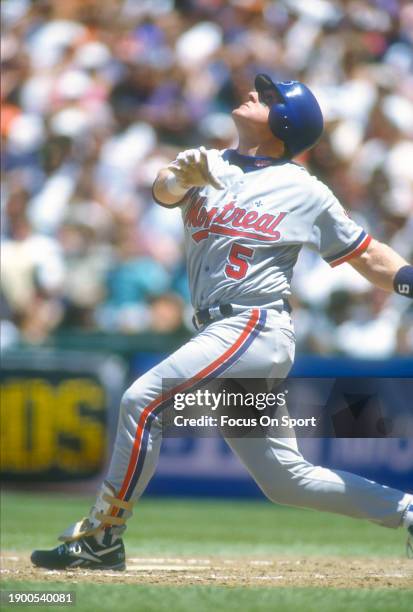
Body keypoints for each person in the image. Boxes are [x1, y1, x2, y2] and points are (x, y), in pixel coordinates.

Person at [31, 74, 413, 570]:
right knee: (284, 479)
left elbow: (366, 255)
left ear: (285, 121)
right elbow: (163, 192)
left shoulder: (302, 189)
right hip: (221, 329)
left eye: (269, 96)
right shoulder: (209, 161)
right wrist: (176, 180)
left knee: (141, 399)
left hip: (254, 324)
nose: (254, 93)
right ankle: (407, 510)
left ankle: (103, 534)